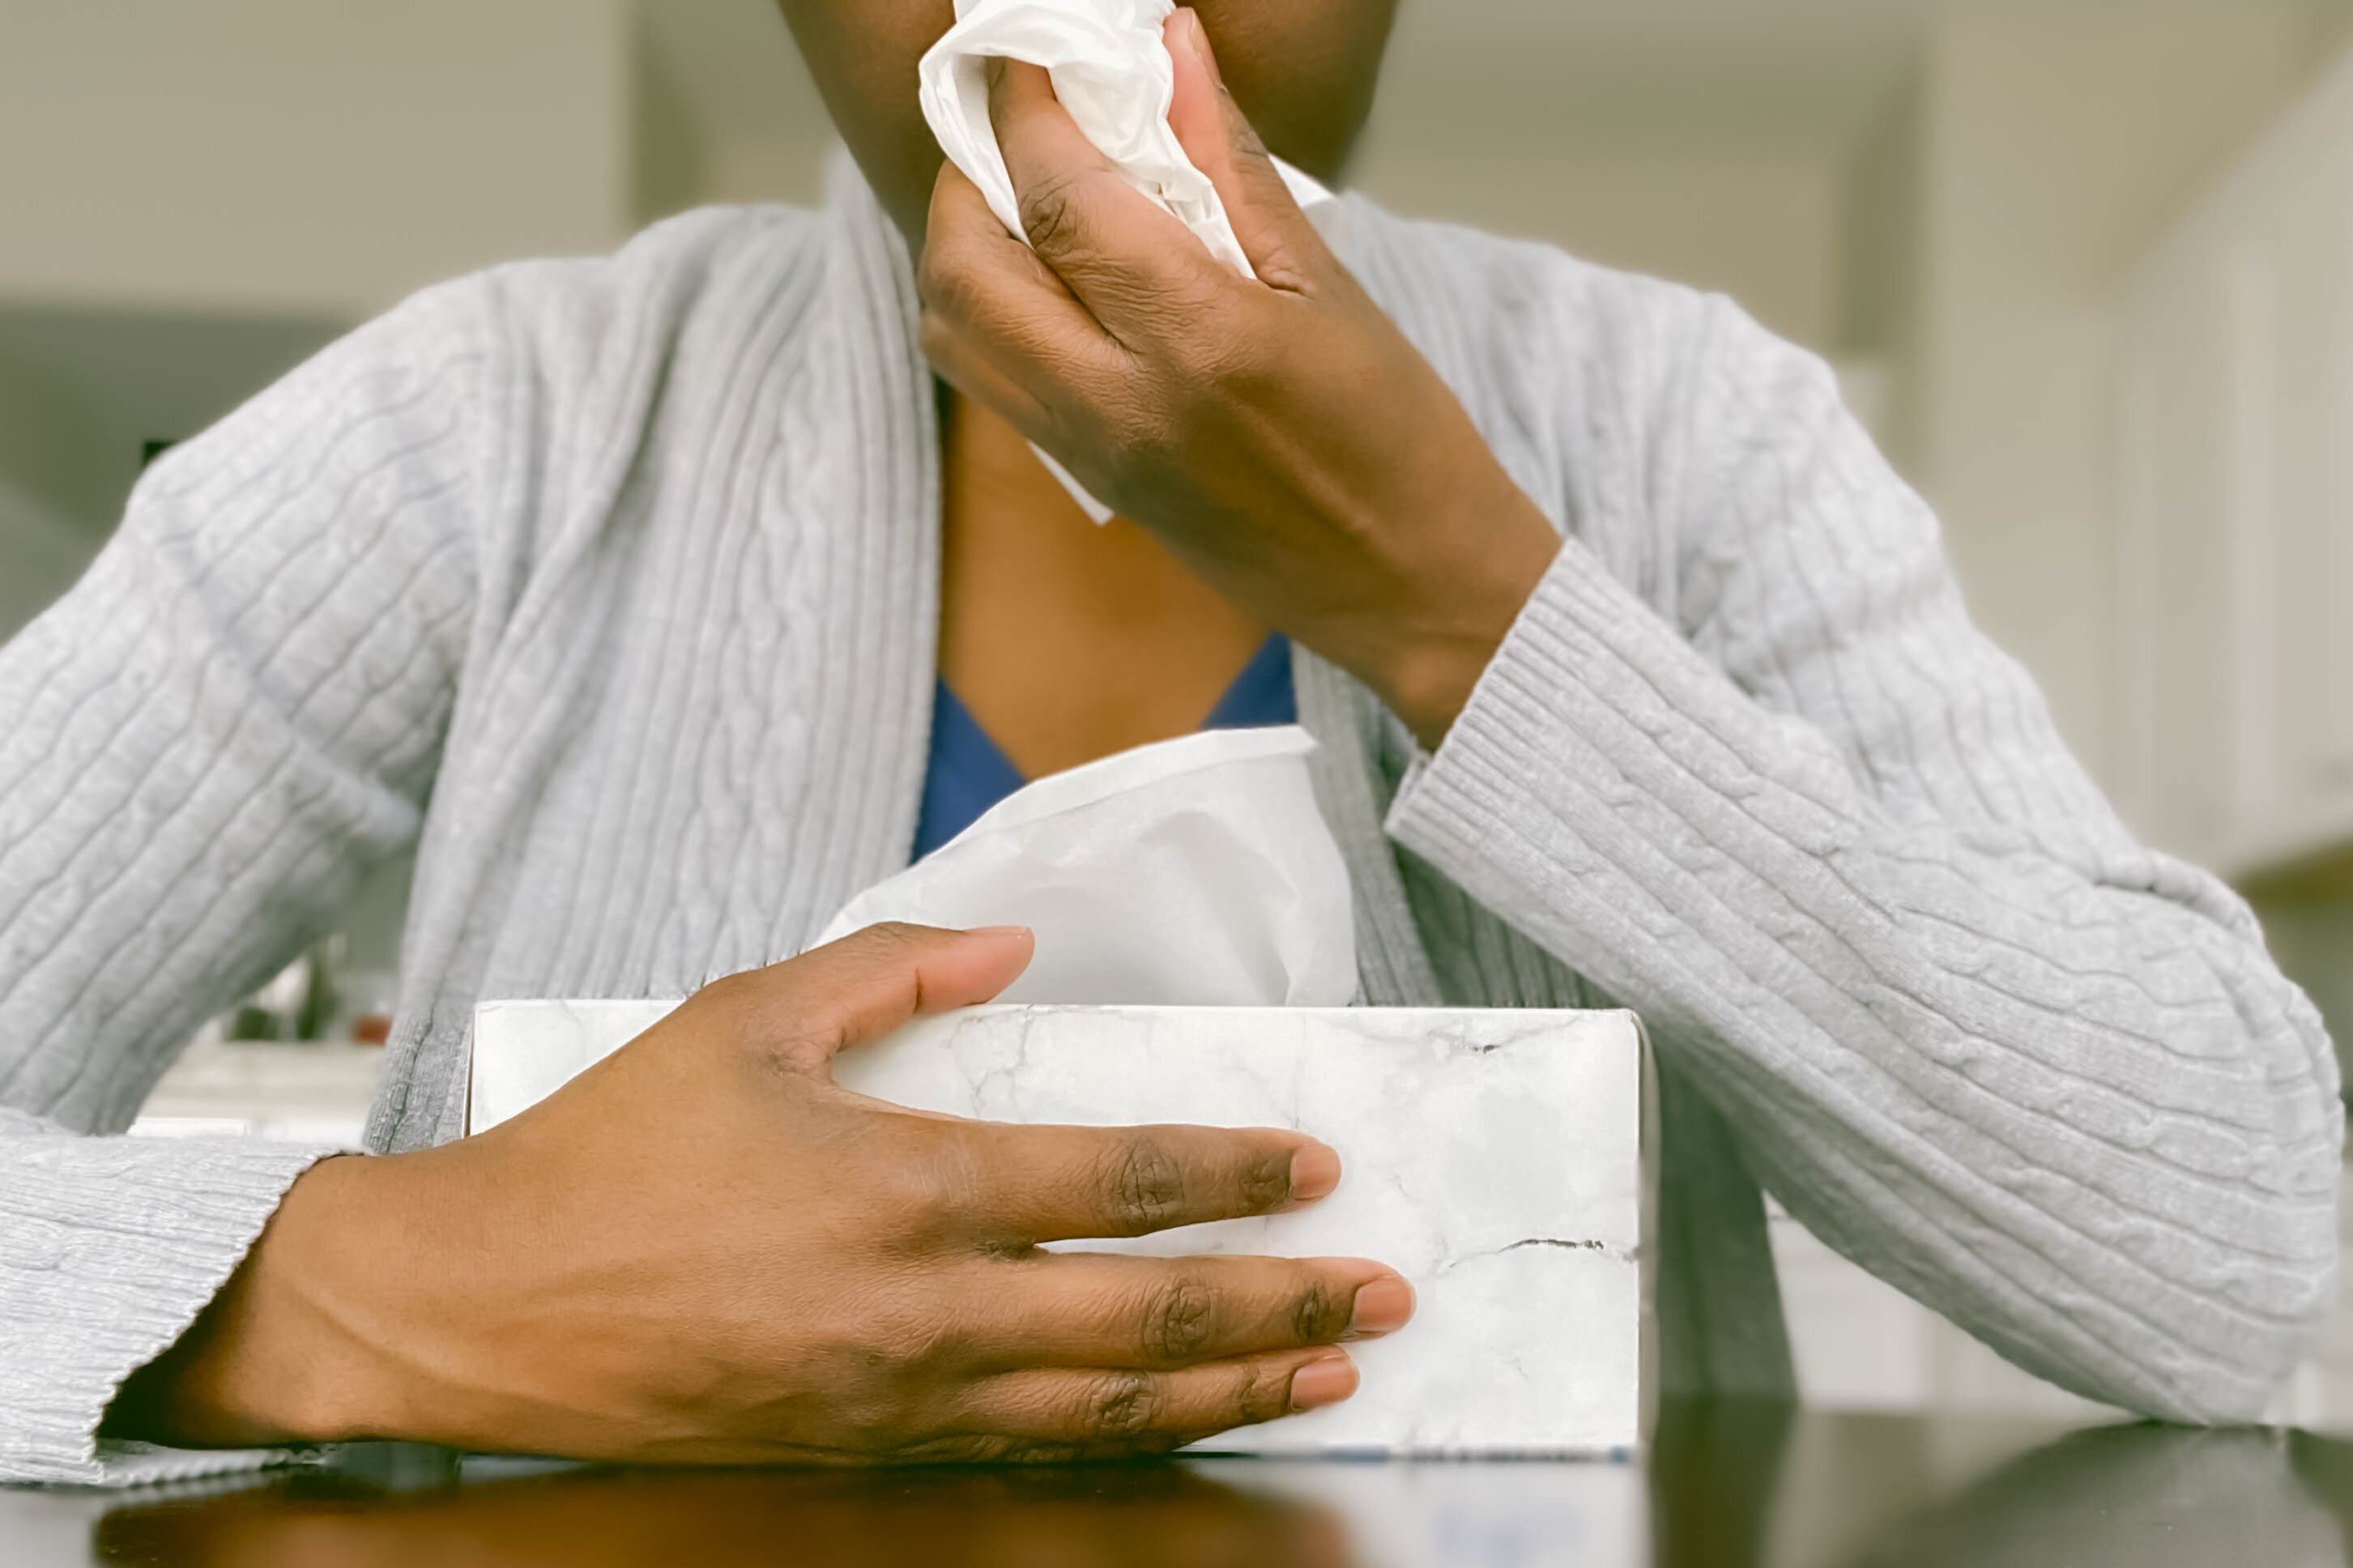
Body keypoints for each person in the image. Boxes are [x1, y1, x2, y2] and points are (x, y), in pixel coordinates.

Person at [0, 2, 2338, 1484]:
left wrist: (1456, 597)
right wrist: (376, 1281)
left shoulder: (1685, 428)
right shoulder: (484, 437)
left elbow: (2236, 1259)